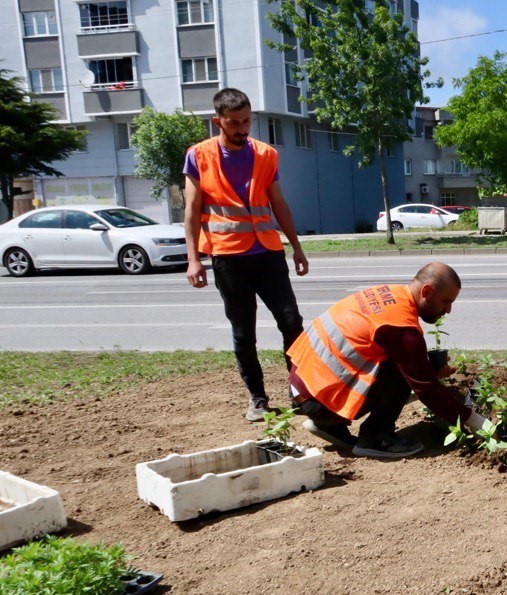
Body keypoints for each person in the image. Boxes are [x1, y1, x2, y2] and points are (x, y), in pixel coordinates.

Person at [183, 87, 309, 421]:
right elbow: (192, 209)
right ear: (218, 121)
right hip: (228, 258)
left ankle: (300, 390)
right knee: (244, 332)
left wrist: (296, 247)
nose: (242, 129)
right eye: (235, 123)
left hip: (267, 253)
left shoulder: (266, 155)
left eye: (247, 121)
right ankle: (257, 398)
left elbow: (278, 203)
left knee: (292, 321)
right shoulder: (199, 156)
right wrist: (193, 258)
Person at [286, 262, 489, 459]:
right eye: (446, 301)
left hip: (301, 388)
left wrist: (428, 372)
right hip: (318, 402)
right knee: (400, 368)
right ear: (426, 291)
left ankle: (328, 425)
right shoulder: (401, 327)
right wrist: (476, 421)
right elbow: (427, 390)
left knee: (405, 361)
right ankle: (375, 438)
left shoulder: (388, 294)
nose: (448, 311)